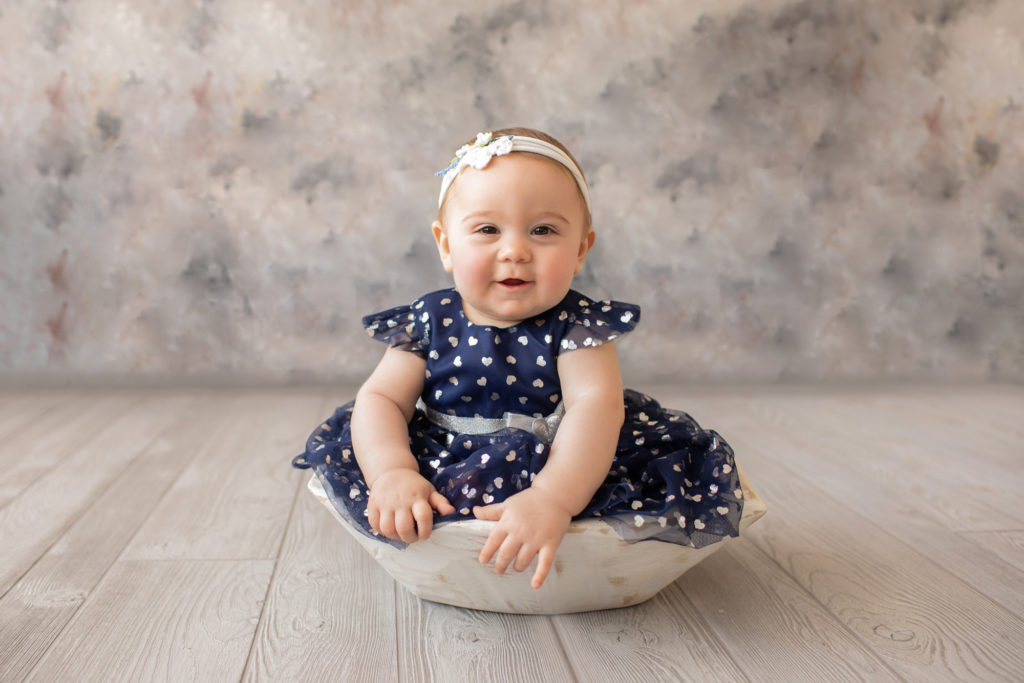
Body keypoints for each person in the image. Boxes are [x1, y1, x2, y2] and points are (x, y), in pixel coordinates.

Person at [292, 127, 743, 589]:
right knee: (372, 442)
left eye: (543, 230)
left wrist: (552, 497)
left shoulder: (577, 326)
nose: (514, 251)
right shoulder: (429, 319)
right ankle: (441, 549)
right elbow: (383, 399)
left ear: (581, 249)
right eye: (487, 229)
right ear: (446, 244)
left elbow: (596, 408)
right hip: (447, 454)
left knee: (623, 474)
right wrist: (392, 471)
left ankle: (561, 546)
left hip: (563, 459)